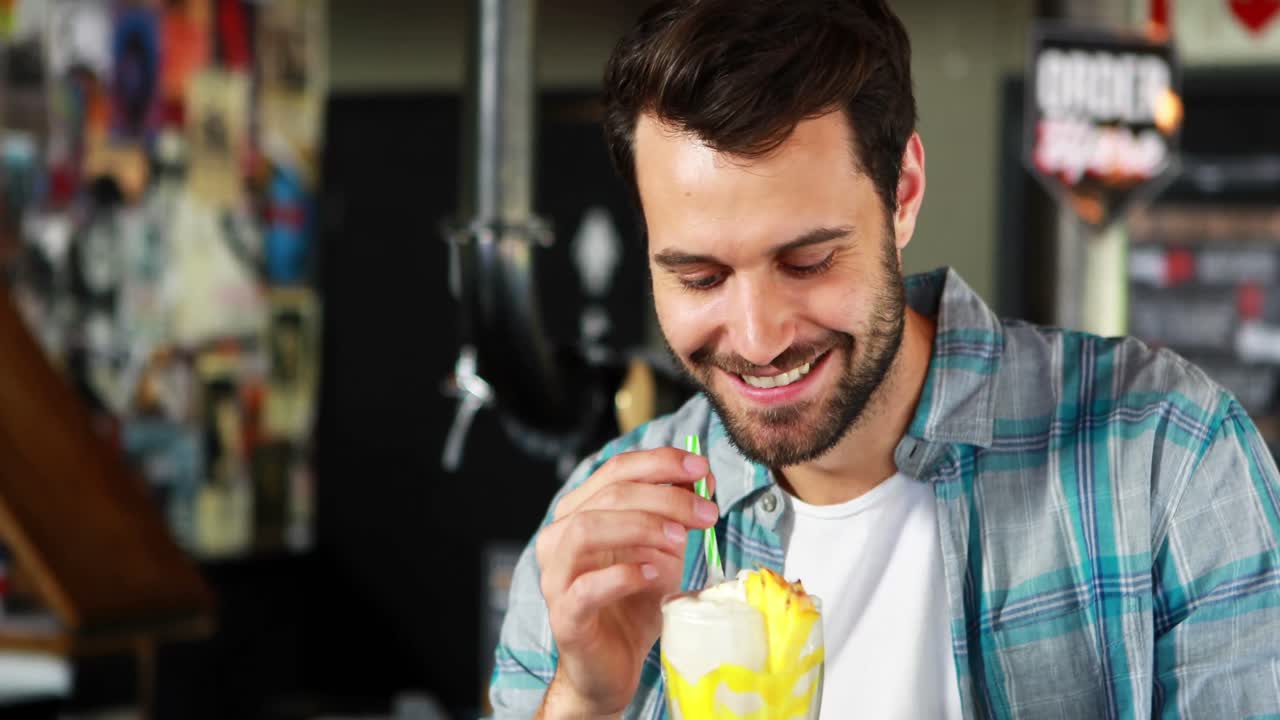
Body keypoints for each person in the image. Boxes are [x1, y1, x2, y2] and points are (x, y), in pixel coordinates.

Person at [490, 1, 1280, 718]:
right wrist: (584, 701)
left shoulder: (1168, 456)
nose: (758, 338)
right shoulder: (594, 540)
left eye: (807, 262)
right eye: (700, 277)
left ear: (902, 192)